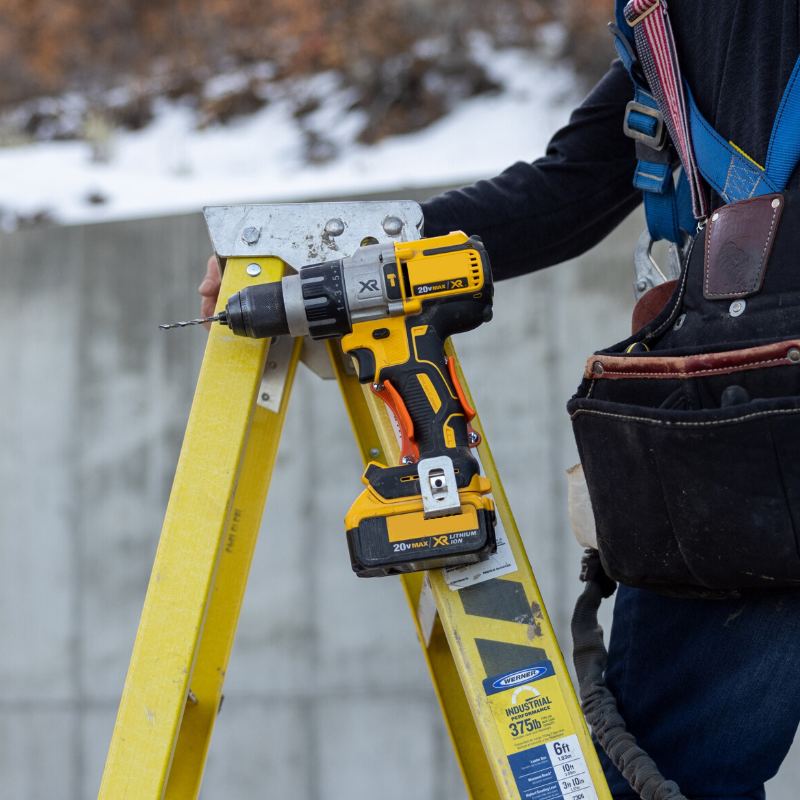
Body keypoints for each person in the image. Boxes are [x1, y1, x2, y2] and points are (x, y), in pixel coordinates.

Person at [198, 3, 800, 797]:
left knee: (669, 769)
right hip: (739, 418)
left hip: (749, 423)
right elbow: (573, 185)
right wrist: (341, 252)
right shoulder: (662, 23)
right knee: (670, 763)